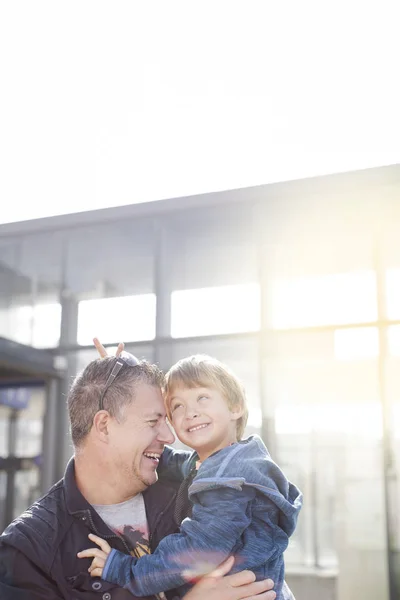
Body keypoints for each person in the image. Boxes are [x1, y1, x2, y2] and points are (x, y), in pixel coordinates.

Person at [0, 343, 277, 600]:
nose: (170, 436)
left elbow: (265, 575)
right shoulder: (29, 549)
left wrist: (117, 380)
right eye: (153, 420)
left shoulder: (195, 485)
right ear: (104, 426)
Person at [78, 353, 302, 599]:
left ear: (235, 407)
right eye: (177, 406)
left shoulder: (229, 481)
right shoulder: (216, 462)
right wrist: (123, 393)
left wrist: (122, 569)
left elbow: (195, 554)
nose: (190, 412)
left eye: (202, 398)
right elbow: (170, 461)